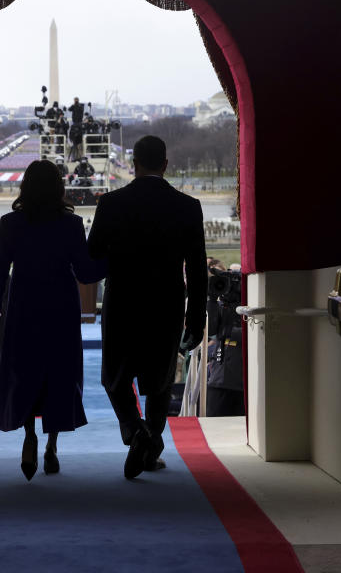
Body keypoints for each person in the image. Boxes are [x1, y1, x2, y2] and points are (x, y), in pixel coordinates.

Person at [88, 134, 207, 479]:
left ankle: (134, 431)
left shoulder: (111, 203)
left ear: (133, 165)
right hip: (166, 303)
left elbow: (94, 251)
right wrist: (195, 319)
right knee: (160, 381)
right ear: (165, 165)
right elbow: (197, 270)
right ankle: (150, 443)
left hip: (123, 301)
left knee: (114, 376)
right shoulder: (187, 206)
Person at [0, 160, 105, 481]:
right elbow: (87, 273)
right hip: (60, 310)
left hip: (23, 308)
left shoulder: (11, 223)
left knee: (25, 374)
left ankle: (29, 437)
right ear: (59, 188)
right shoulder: (70, 224)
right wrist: (114, 256)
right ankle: (52, 445)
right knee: (58, 376)